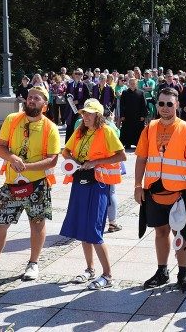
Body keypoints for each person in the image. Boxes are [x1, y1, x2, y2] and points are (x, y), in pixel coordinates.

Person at [0, 86, 60, 282]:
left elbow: (53, 160)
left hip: (37, 185)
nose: (31, 101)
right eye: (29, 97)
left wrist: (27, 166)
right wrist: (12, 158)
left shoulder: (49, 127)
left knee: (37, 223)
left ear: (44, 104)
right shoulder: (12, 119)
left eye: (37, 98)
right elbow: (0, 147)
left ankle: (33, 264)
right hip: (11, 184)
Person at [133, 88, 186, 292]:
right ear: (156, 105)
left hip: (179, 192)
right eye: (161, 104)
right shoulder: (149, 128)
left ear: (177, 106)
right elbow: (141, 158)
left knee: (180, 233)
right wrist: (138, 185)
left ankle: (183, 273)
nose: (165, 108)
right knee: (160, 232)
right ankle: (162, 271)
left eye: (169, 104)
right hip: (155, 190)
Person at [60, 99, 126, 289]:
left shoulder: (106, 131)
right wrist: (73, 160)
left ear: (98, 115)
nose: (84, 116)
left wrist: (96, 162)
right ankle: (90, 270)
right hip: (80, 182)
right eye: (83, 113)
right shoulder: (80, 130)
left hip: (99, 183)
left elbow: (122, 156)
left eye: (89, 113)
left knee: (94, 229)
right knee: (82, 227)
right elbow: (65, 151)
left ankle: (107, 275)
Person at [119, 78, 148, 149]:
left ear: (136, 84)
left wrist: (143, 115)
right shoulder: (125, 92)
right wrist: (122, 115)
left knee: (138, 130)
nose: (132, 84)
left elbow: (144, 105)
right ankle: (127, 143)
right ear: (128, 84)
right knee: (127, 129)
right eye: (131, 83)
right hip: (127, 116)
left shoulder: (141, 93)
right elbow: (122, 105)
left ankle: (138, 143)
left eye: (134, 83)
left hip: (138, 116)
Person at [65, 68, 91, 141]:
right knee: (69, 126)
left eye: (80, 74)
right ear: (74, 74)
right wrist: (69, 99)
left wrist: (78, 101)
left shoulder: (84, 85)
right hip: (70, 110)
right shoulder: (70, 84)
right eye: (76, 73)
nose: (78, 75)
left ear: (82, 75)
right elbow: (66, 95)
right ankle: (68, 145)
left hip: (80, 109)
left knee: (79, 126)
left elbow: (87, 97)